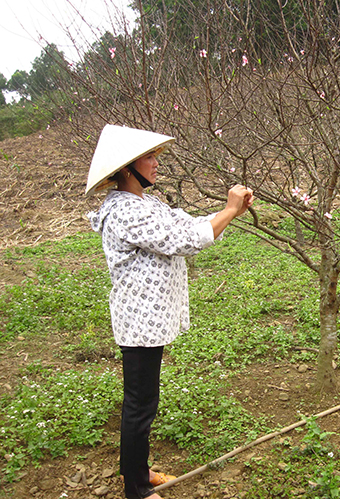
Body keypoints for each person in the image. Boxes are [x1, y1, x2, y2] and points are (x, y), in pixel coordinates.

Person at [85, 124, 254, 499]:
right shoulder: (126, 212)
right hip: (139, 323)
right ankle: (137, 490)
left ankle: (138, 472)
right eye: (148, 157)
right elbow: (186, 240)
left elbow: (189, 226)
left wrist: (230, 214)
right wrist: (228, 209)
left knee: (143, 403)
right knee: (140, 406)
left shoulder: (147, 204)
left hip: (150, 321)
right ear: (127, 168)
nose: (155, 162)